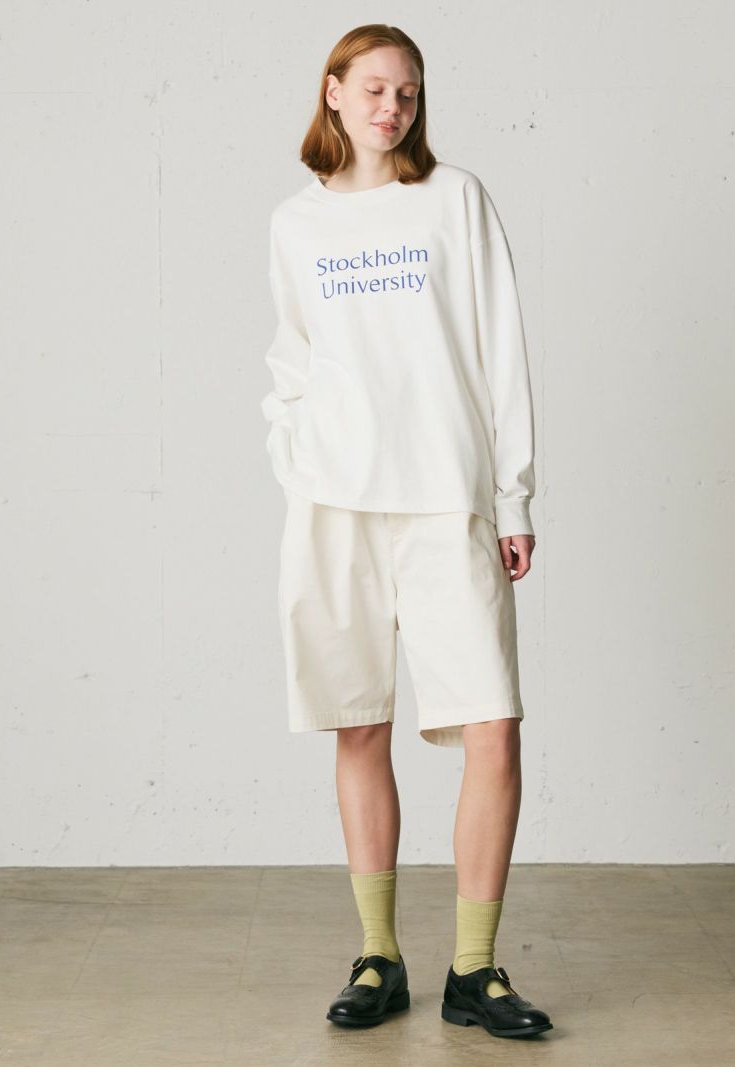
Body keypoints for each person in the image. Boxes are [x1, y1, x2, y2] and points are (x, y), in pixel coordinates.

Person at [260, 23, 553, 1041]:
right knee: (358, 721)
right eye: (377, 89)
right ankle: (378, 954)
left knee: (491, 723)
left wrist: (511, 496)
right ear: (333, 93)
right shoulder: (295, 222)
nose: (393, 108)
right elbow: (292, 358)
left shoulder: (452, 200)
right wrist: (295, 450)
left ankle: (474, 968)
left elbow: (500, 348)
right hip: (336, 503)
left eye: (410, 93)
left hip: (443, 494)